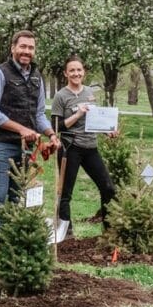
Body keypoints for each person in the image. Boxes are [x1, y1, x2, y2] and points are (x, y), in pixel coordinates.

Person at [0, 30, 59, 262]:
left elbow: (39, 114)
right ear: (13, 48)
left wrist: (51, 134)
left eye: (31, 48)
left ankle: (8, 252)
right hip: (2, 144)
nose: (26, 52)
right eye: (22, 47)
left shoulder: (36, 77)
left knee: (16, 199)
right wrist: (21, 129)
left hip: (26, 148)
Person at [50, 55, 116, 234]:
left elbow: (95, 119)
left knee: (108, 188)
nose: (76, 73)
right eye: (72, 70)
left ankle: (109, 230)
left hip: (90, 147)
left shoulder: (90, 93)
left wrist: (107, 130)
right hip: (70, 148)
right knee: (65, 193)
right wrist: (77, 115)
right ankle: (66, 233)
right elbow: (56, 126)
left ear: (84, 72)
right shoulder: (60, 96)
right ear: (66, 73)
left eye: (79, 70)